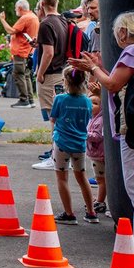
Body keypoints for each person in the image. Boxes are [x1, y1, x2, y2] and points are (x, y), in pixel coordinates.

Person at [69, 11, 134, 247]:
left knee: (133, 183)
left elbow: (112, 84)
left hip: (133, 126)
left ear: (123, 32)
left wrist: (92, 68)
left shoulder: (132, 51)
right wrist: (98, 67)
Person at [49, 66, 97, 224]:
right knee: (82, 177)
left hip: (62, 142)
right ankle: (91, 212)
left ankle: (69, 213)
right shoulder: (87, 101)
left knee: (62, 178)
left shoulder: (60, 99)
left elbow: (53, 119)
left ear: (66, 82)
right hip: (79, 144)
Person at [32, 0, 70, 170]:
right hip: (61, 72)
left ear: (42, 3)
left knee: (53, 117)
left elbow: (48, 52)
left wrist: (39, 73)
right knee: (61, 117)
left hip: (50, 75)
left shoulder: (46, 24)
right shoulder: (62, 21)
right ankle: (61, 154)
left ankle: (56, 157)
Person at [0, 0, 39, 109]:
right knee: (26, 75)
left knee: (18, 74)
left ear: (20, 8)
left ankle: (23, 99)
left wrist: (2, 20)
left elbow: (11, 31)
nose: (15, 10)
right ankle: (30, 99)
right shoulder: (34, 17)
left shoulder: (25, 18)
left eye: (16, 8)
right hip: (28, 50)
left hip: (21, 50)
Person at [86, 91, 107, 217]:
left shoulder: (100, 120)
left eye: (95, 103)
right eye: (90, 103)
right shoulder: (92, 118)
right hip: (95, 153)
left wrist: (85, 134)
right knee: (100, 179)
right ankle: (99, 199)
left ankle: (100, 201)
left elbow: (98, 136)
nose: (92, 106)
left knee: (101, 179)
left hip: (99, 154)